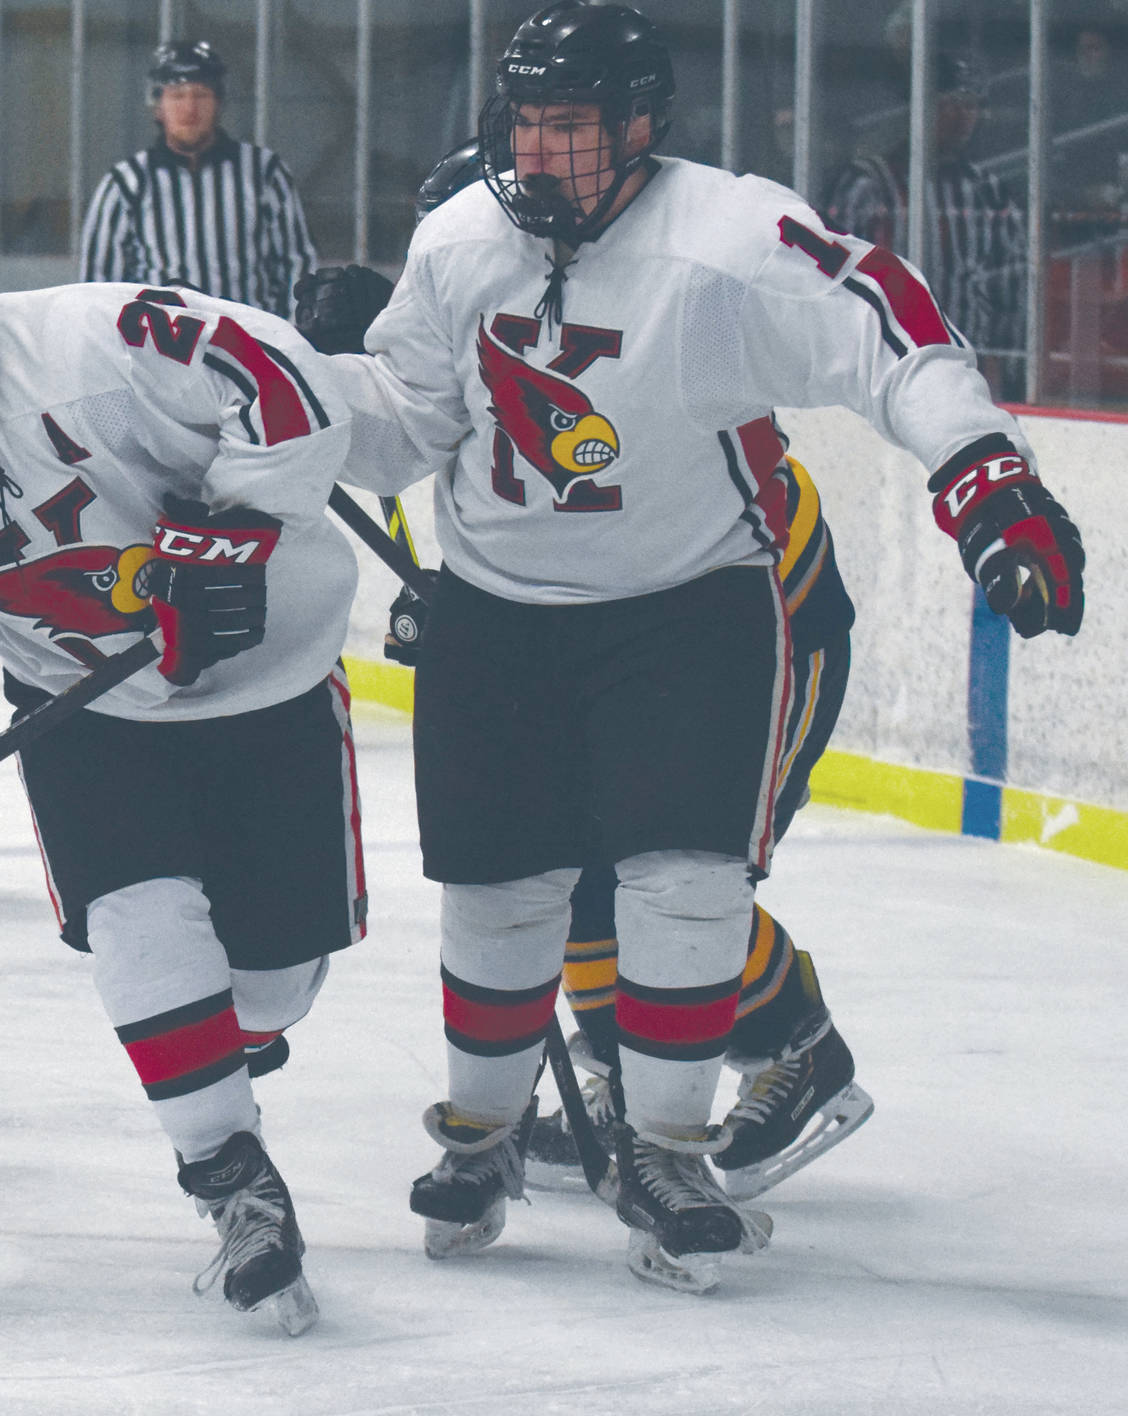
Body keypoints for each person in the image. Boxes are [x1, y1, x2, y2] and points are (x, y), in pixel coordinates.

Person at [323, 1, 1083, 1293]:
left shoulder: (723, 238)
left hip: (701, 607)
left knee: (674, 885)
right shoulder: (459, 241)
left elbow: (886, 329)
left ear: (636, 126)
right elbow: (408, 423)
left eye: (569, 126)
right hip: (507, 613)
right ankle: (491, 1131)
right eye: (525, 123)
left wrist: (987, 481)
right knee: (514, 891)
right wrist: (294, 408)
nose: (540, 152)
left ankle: (694, 1126)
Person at [0, 215, 367, 1334]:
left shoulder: (96, 344)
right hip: (85, 720)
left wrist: (231, 536)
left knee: (267, 987)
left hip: (271, 695)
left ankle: (222, 1046)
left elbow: (280, 378)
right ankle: (232, 1183)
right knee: (141, 932)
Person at [295, 143, 876, 1203]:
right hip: (609, 634)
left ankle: (800, 1050)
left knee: (659, 866)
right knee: (566, 874)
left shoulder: (627, 314)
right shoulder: (486, 294)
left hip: (758, 624)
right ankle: (621, 1081)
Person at [824, 54, 1028, 399]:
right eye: (948, 104)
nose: (962, 116)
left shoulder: (987, 189)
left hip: (964, 368)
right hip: (882, 366)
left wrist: (1002, 361)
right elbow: (835, 282)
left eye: (970, 105)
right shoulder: (869, 185)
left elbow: (1010, 281)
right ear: (917, 108)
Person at [77, 40, 317, 318]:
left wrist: (287, 338)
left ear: (219, 103)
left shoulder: (264, 173)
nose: (190, 108)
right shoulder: (126, 184)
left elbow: (297, 265)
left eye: (201, 95)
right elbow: (97, 287)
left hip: (249, 346)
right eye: (177, 95)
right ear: (157, 106)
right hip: (158, 350)